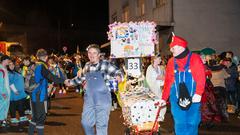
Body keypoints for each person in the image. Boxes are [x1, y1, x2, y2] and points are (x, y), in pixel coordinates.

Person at [65, 44, 122, 135]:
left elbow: (118, 72)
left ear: (99, 55)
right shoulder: (87, 66)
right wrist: (70, 82)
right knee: (85, 123)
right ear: (87, 54)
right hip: (89, 100)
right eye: (90, 53)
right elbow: (81, 78)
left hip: (103, 100)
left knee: (101, 126)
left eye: (94, 53)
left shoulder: (105, 64)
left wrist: (118, 76)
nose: (92, 55)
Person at [159, 35, 205, 135]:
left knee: (192, 123)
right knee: (179, 124)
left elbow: (201, 77)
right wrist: (164, 98)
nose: (171, 50)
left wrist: (198, 93)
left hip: (193, 98)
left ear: (181, 47)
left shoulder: (195, 59)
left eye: (173, 47)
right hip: (176, 98)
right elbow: (168, 81)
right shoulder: (171, 62)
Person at [28, 49, 65, 135]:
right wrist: (65, 81)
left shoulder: (34, 65)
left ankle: (30, 133)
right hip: (39, 95)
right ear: (46, 57)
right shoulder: (42, 66)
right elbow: (52, 77)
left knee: (35, 116)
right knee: (41, 117)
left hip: (33, 93)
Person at [146, 53, 166, 121]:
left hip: (159, 90)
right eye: (159, 59)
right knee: (155, 106)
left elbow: (161, 78)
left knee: (162, 105)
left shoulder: (159, 68)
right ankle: (155, 120)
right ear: (154, 59)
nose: (160, 60)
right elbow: (158, 77)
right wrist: (169, 77)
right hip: (152, 90)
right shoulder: (150, 68)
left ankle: (159, 119)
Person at [8, 59, 29, 125]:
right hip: (14, 93)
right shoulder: (8, 73)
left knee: (21, 105)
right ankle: (13, 118)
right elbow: (10, 82)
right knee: (13, 106)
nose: (11, 66)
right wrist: (15, 90)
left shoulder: (15, 72)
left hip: (20, 93)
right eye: (9, 65)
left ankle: (22, 116)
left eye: (12, 64)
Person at [0, 55, 11, 128]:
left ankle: (3, 120)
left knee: (5, 107)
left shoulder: (4, 68)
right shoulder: (1, 69)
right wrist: (2, 92)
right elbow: (0, 82)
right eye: (8, 60)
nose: (9, 61)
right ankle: (2, 121)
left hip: (6, 91)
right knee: (2, 106)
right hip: (3, 92)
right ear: (4, 60)